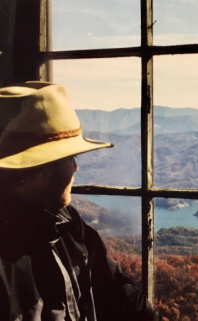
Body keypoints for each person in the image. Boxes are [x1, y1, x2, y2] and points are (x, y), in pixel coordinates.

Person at [0, 81, 159, 321]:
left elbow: (119, 293)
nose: (76, 167)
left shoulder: (68, 223)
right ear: (38, 170)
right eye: (70, 157)